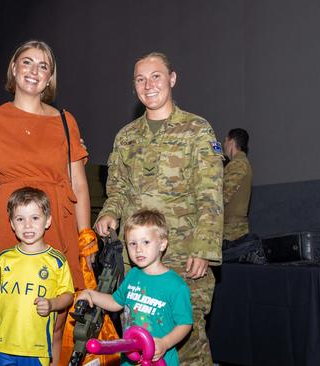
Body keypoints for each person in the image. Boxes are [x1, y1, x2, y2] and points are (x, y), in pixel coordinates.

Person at [95, 52, 224, 365]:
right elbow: (118, 190)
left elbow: (210, 194)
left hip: (183, 256)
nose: (148, 84)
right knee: (139, 342)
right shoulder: (126, 137)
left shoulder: (196, 130)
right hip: (137, 261)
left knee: (189, 343)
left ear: (172, 79)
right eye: (140, 79)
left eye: (156, 76)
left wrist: (203, 249)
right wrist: (109, 213)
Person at [0, 39, 95, 365]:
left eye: (44, 66)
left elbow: (80, 185)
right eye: (27, 62)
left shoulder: (66, 122)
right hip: (9, 227)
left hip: (58, 224)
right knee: (14, 323)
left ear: (50, 77)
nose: (34, 71)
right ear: (14, 69)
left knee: (55, 324)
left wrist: (86, 239)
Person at [78, 209, 192, 365]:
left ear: (163, 244)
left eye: (146, 242)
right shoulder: (133, 275)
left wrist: (165, 343)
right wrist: (91, 294)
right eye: (132, 243)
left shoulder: (176, 286)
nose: (138, 249)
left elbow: (185, 324)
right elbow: (115, 302)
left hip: (160, 360)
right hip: (130, 358)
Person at [0, 187, 74, 366]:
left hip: (36, 348)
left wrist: (52, 304)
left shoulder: (57, 261)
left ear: (48, 221)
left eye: (35, 218)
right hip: (2, 346)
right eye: (20, 219)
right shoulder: (3, 259)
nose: (27, 225)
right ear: (12, 224)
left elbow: (68, 296)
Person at [222, 128, 253, 241]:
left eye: (225, 140)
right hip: (235, 227)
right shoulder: (241, 162)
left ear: (231, 141)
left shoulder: (237, 164)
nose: (223, 145)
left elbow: (223, 196)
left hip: (232, 230)